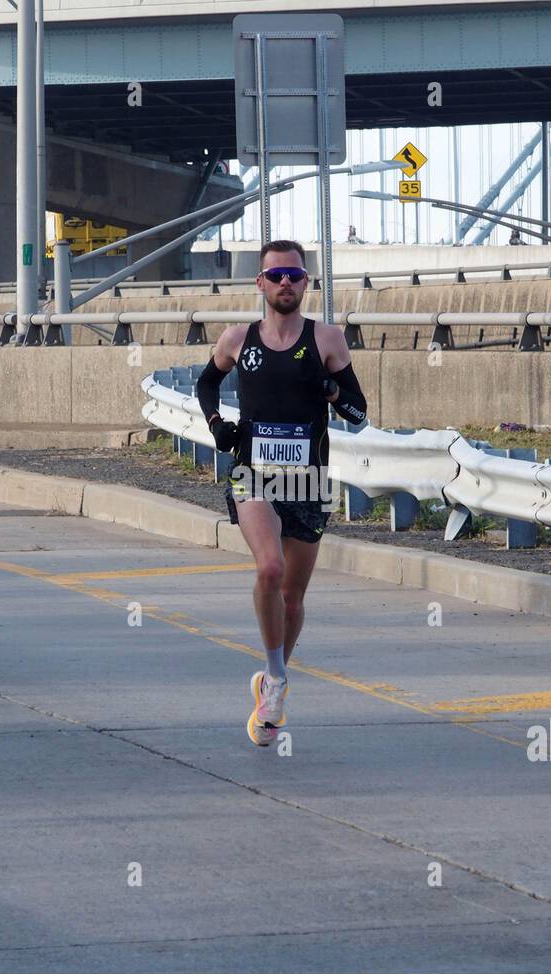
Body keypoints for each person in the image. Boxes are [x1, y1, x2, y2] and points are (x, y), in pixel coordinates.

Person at [196, 239, 367, 747]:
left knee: (292, 597)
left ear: (307, 282)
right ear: (260, 284)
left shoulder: (327, 340)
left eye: (294, 275)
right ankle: (276, 680)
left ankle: (273, 682)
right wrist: (216, 425)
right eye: (275, 276)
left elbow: (359, 416)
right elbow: (207, 385)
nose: (285, 283)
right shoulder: (237, 339)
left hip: (310, 481)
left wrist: (332, 391)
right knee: (268, 568)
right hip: (253, 474)